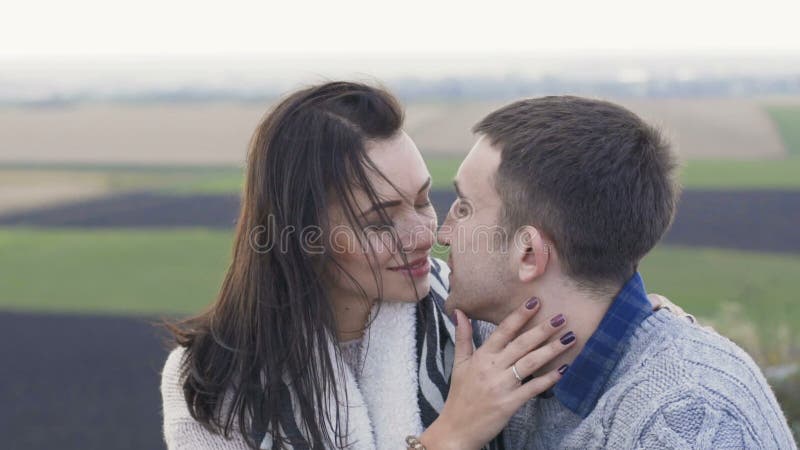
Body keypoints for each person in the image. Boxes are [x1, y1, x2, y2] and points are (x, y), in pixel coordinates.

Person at [160, 82, 573, 450]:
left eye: (422, 200)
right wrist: (449, 438)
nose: (423, 236)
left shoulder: (476, 321)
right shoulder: (211, 383)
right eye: (379, 220)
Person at [435, 95, 797, 449]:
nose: (442, 232)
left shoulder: (686, 422)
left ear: (529, 253)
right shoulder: (494, 349)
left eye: (464, 208)